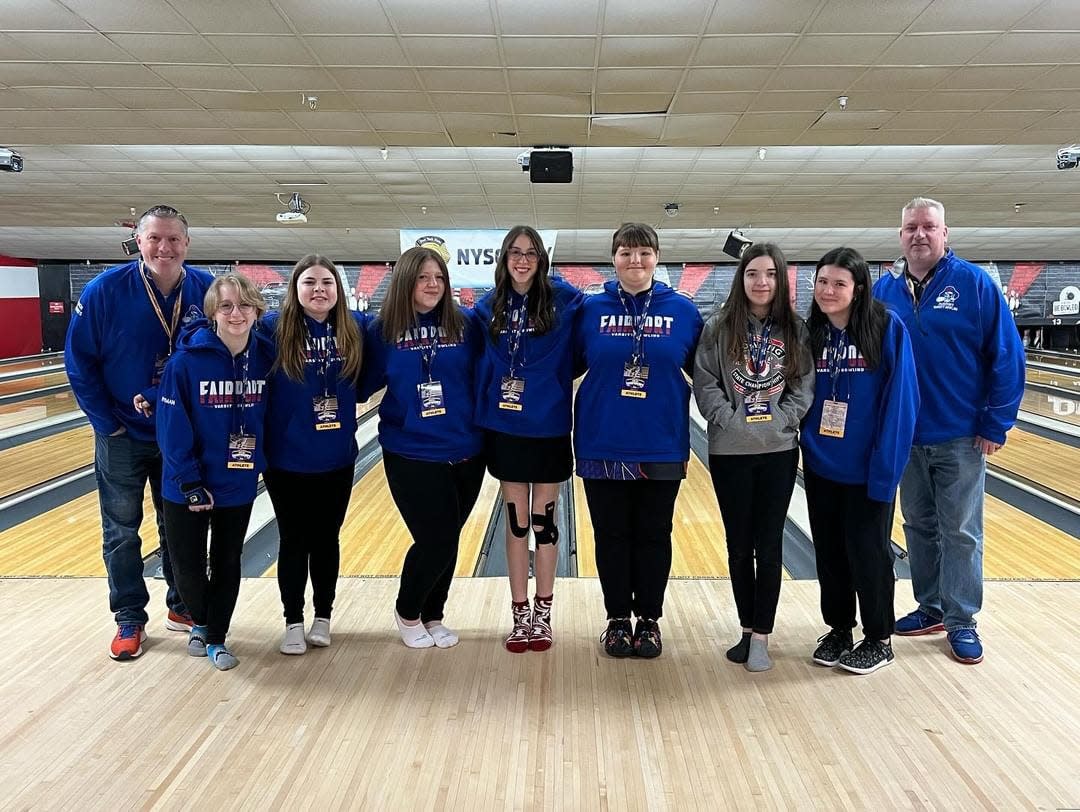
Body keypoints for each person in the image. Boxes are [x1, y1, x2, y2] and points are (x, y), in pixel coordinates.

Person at [874, 197, 1025, 664]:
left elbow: (1007, 356)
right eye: (911, 228)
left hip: (960, 434)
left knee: (960, 530)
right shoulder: (885, 291)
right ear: (900, 236)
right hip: (906, 435)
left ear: (945, 235)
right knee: (919, 525)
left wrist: (995, 422)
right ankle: (931, 606)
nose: (919, 234)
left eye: (929, 227)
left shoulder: (975, 284)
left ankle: (961, 620)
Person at [64, 205, 213, 660]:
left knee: (179, 527)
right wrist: (105, 424)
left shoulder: (206, 290)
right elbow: (79, 362)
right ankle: (129, 616)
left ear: (187, 243)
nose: (164, 248)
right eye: (154, 239)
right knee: (122, 531)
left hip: (180, 436)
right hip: (122, 436)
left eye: (173, 239)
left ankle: (181, 604)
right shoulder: (105, 289)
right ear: (139, 242)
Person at [574, 223, 703, 658]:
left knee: (653, 534)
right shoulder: (589, 310)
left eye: (644, 253)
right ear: (613, 258)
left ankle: (648, 619)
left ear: (657, 258)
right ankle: (616, 620)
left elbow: (706, 373)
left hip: (662, 442)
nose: (636, 261)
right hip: (601, 441)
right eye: (626, 252)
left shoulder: (684, 311)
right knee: (611, 536)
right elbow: (563, 364)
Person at [693, 242, 814, 672]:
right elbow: (705, 382)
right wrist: (728, 419)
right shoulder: (719, 327)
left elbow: (803, 386)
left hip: (778, 451)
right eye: (752, 274)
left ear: (780, 280)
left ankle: (762, 634)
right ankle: (746, 629)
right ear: (741, 279)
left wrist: (783, 418)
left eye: (770, 274)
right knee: (739, 547)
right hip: (730, 452)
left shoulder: (795, 329)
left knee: (770, 543)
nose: (761, 282)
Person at [802, 247, 919, 674]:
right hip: (821, 465)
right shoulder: (811, 334)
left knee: (868, 554)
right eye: (822, 282)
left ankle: (879, 638)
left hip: (870, 467)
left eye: (839, 283)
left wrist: (886, 469)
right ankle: (839, 629)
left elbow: (902, 402)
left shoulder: (886, 328)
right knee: (830, 554)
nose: (828, 291)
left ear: (858, 288)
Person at [361, 247, 485, 649]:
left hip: (466, 449)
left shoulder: (465, 324)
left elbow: (485, 375)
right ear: (406, 282)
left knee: (450, 537)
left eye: (439, 278)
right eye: (423, 278)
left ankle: (434, 614)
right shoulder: (383, 331)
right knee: (438, 537)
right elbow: (363, 384)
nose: (432, 285)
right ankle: (408, 609)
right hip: (411, 451)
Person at [474, 226, 584, 653]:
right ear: (504, 258)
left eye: (531, 253)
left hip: (551, 428)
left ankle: (544, 613)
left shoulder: (565, 300)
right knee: (517, 526)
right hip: (507, 430)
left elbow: (583, 348)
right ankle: (520, 615)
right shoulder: (489, 308)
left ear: (542, 258)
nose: (523, 260)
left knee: (546, 526)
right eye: (515, 253)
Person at [155, 274, 272, 670]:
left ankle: (215, 636)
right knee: (187, 568)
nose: (235, 313)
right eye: (226, 306)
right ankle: (202, 624)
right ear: (212, 313)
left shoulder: (266, 357)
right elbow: (172, 426)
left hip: (235, 483)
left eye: (244, 305)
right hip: (185, 484)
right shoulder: (186, 362)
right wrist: (190, 482)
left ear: (257, 310)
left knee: (227, 562)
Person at [262, 255, 365, 655]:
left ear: (338, 289)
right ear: (296, 289)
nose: (319, 289)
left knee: (326, 539)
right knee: (293, 540)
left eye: (327, 282)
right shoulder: (272, 330)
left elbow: (375, 370)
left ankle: (323, 616)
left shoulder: (355, 328)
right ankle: (292, 620)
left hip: (336, 456)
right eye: (310, 282)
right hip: (285, 460)